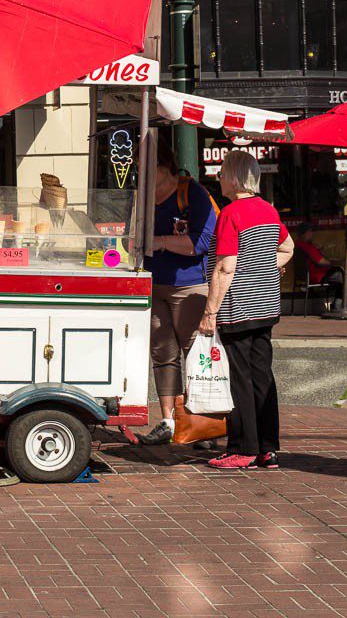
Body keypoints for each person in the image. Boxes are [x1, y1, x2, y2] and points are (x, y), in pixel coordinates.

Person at [199, 150, 294, 471]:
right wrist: (267, 268)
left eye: (223, 173)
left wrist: (209, 312)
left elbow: (225, 267)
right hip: (266, 305)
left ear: (235, 178)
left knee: (238, 378)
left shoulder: (231, 214)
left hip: (237, 306)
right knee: (262, 376)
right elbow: (288, 247)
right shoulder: (268, 210)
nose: (219, 178)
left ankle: (243, 447)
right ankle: (268, 447)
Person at [139, 140, 217, 445]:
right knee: (162, 354)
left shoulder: (193, 193)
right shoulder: (144, 197)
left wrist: (159, 241)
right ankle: (169, 421)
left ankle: (201, 424)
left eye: (145, 168)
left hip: (189, 286)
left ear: (162, 169)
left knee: (195, 355)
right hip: (153, 283)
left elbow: (200, 243)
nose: (140, 173)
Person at [294, 223, 347, 309]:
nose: (312, 234)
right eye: (310, 231)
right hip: (321, 275)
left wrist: (320, 250)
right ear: (304, 233)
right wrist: (338, 262)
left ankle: (343, 305)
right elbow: (322, 262)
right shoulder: (306, 246)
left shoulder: (298, 244)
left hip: (314, 275)